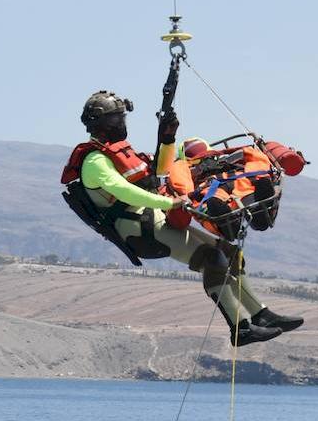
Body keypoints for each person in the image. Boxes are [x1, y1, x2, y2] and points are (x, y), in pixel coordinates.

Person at [61, 90, 303, 346]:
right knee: (212, 259)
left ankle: (261, 315)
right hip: (138, 228)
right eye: (117, 119)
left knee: (230, 254)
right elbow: (125, 191)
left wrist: (167, 139)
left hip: (154, 218)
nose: (122, 124)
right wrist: (170, 202)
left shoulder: (117, 153)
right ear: (103, 124)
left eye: (122, 118)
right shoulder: (95, 161)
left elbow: (159, 170)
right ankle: (240, 329)